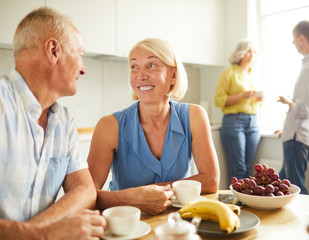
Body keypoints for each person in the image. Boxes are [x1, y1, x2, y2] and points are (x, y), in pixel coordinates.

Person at [0, 7, 106, 239]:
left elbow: (85, 190)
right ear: (53, 50)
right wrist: (41, 235)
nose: (83, 68)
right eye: (79, 53)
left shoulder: (64, 120)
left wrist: (35, 232)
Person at [87, 38, 220, 215]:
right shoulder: (109, 126)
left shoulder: (194, 116)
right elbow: (85, 195)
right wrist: (133, 197)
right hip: (127, 223)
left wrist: (153, 191)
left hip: (178, 222)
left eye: (152, 65)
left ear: (173, 75)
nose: (140, 75)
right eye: (134, 67)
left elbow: (210, 180)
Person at [277, 20, 309, 194]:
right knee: (280, 184)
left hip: (298, 137)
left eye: (294, 38)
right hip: (302, 135)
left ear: (301, 38)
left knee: (295, 189)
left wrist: (288, 102)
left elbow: (304, 110)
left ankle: (305, 221)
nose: (293, 43)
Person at [214, 40, 263, 181]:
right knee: (239, 169)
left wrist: (258, 100)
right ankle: (237, 203)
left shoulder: (254, 74)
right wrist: (242, 95)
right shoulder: (228, 73)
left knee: (248, 168)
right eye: (249, 51)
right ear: (240, 53)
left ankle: (245, 201)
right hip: (234, 122)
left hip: (253, 122)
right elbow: (218, 100)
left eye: (254, 52)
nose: (252, 55)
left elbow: (253, 102)